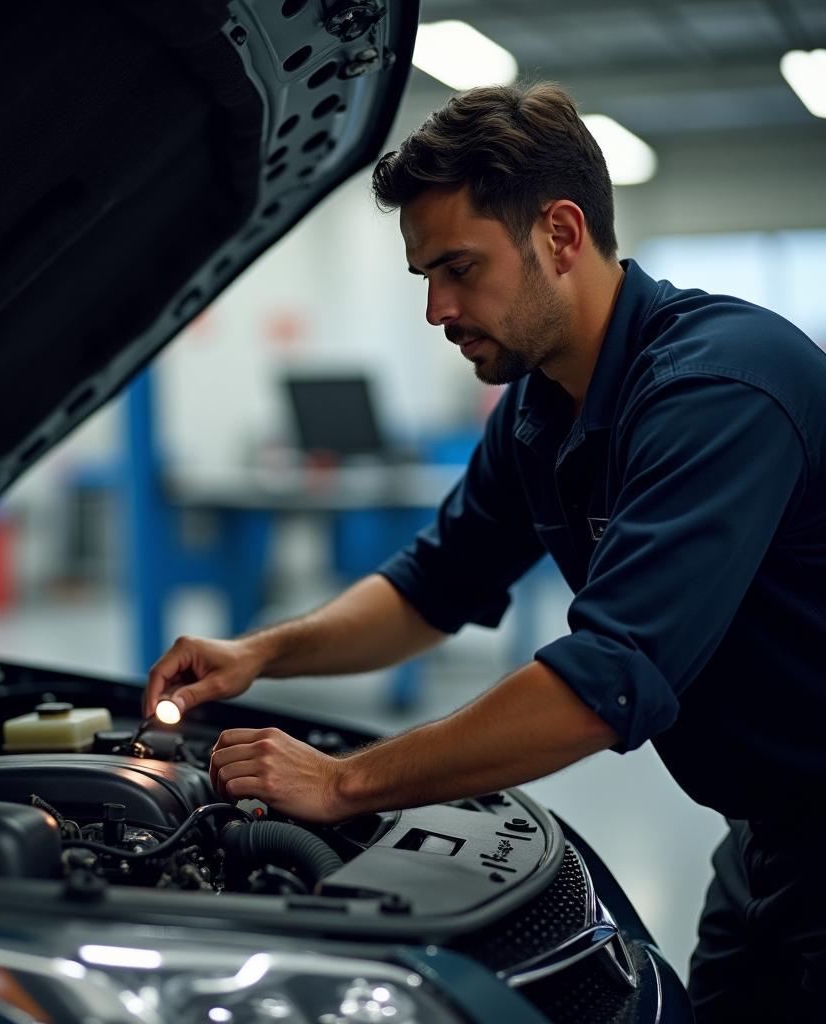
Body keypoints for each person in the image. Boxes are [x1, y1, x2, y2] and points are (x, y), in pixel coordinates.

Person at [143, 82, 826, 1020]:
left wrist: (343, 783)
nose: (437, 308)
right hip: (766, 837)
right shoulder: (540, 411)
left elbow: (604, 686)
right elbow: (430, 587)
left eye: (458, 268)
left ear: (560, 233)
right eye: (426, 275)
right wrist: (262, 652)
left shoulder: (723, 387)